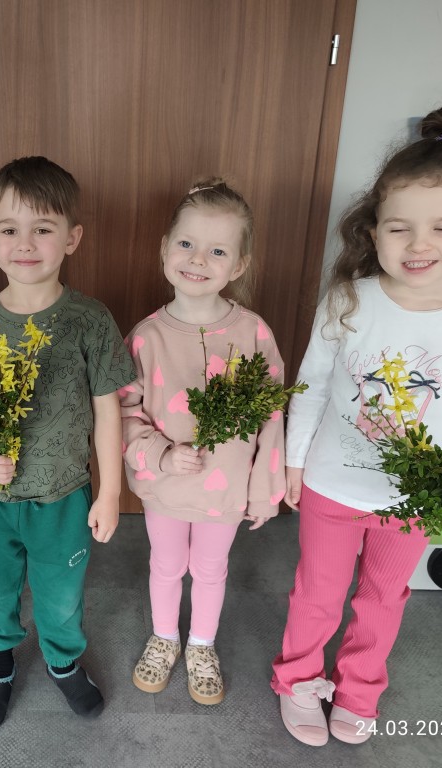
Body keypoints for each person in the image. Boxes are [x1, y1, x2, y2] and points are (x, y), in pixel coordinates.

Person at [271, 102, 442, 746]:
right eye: (399, 227)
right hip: (330, 485)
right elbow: (313, 382)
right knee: (317, 594)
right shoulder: (349, 299)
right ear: (373, 229)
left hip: (412, 501)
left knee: (382, 597)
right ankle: (298, 681)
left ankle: (358, 692)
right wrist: (293, 461)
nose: (418, 244)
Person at [0, 156, 136, 729]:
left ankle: (62, 659)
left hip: (64, 494)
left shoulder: (89, 320)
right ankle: (0, 663)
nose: (25, 243)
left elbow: (108, 409)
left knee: (60, 591)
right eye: (9, 229)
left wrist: (110, 493)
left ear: (72, 238)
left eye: (43, 228)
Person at [121, 179, 285, 706]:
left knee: (211, 569)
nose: (198, 259)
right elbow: (125, 411)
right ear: (164, 249)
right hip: (166, 487)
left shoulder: (254, 333)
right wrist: (160, 455)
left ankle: (201, 644)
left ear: (238, 266)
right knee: (166, 565)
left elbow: (272, 414)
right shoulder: (145, 336)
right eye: (187, 243)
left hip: (225, 490)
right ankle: (164, 637)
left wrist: (265, 489)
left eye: (217, 250)